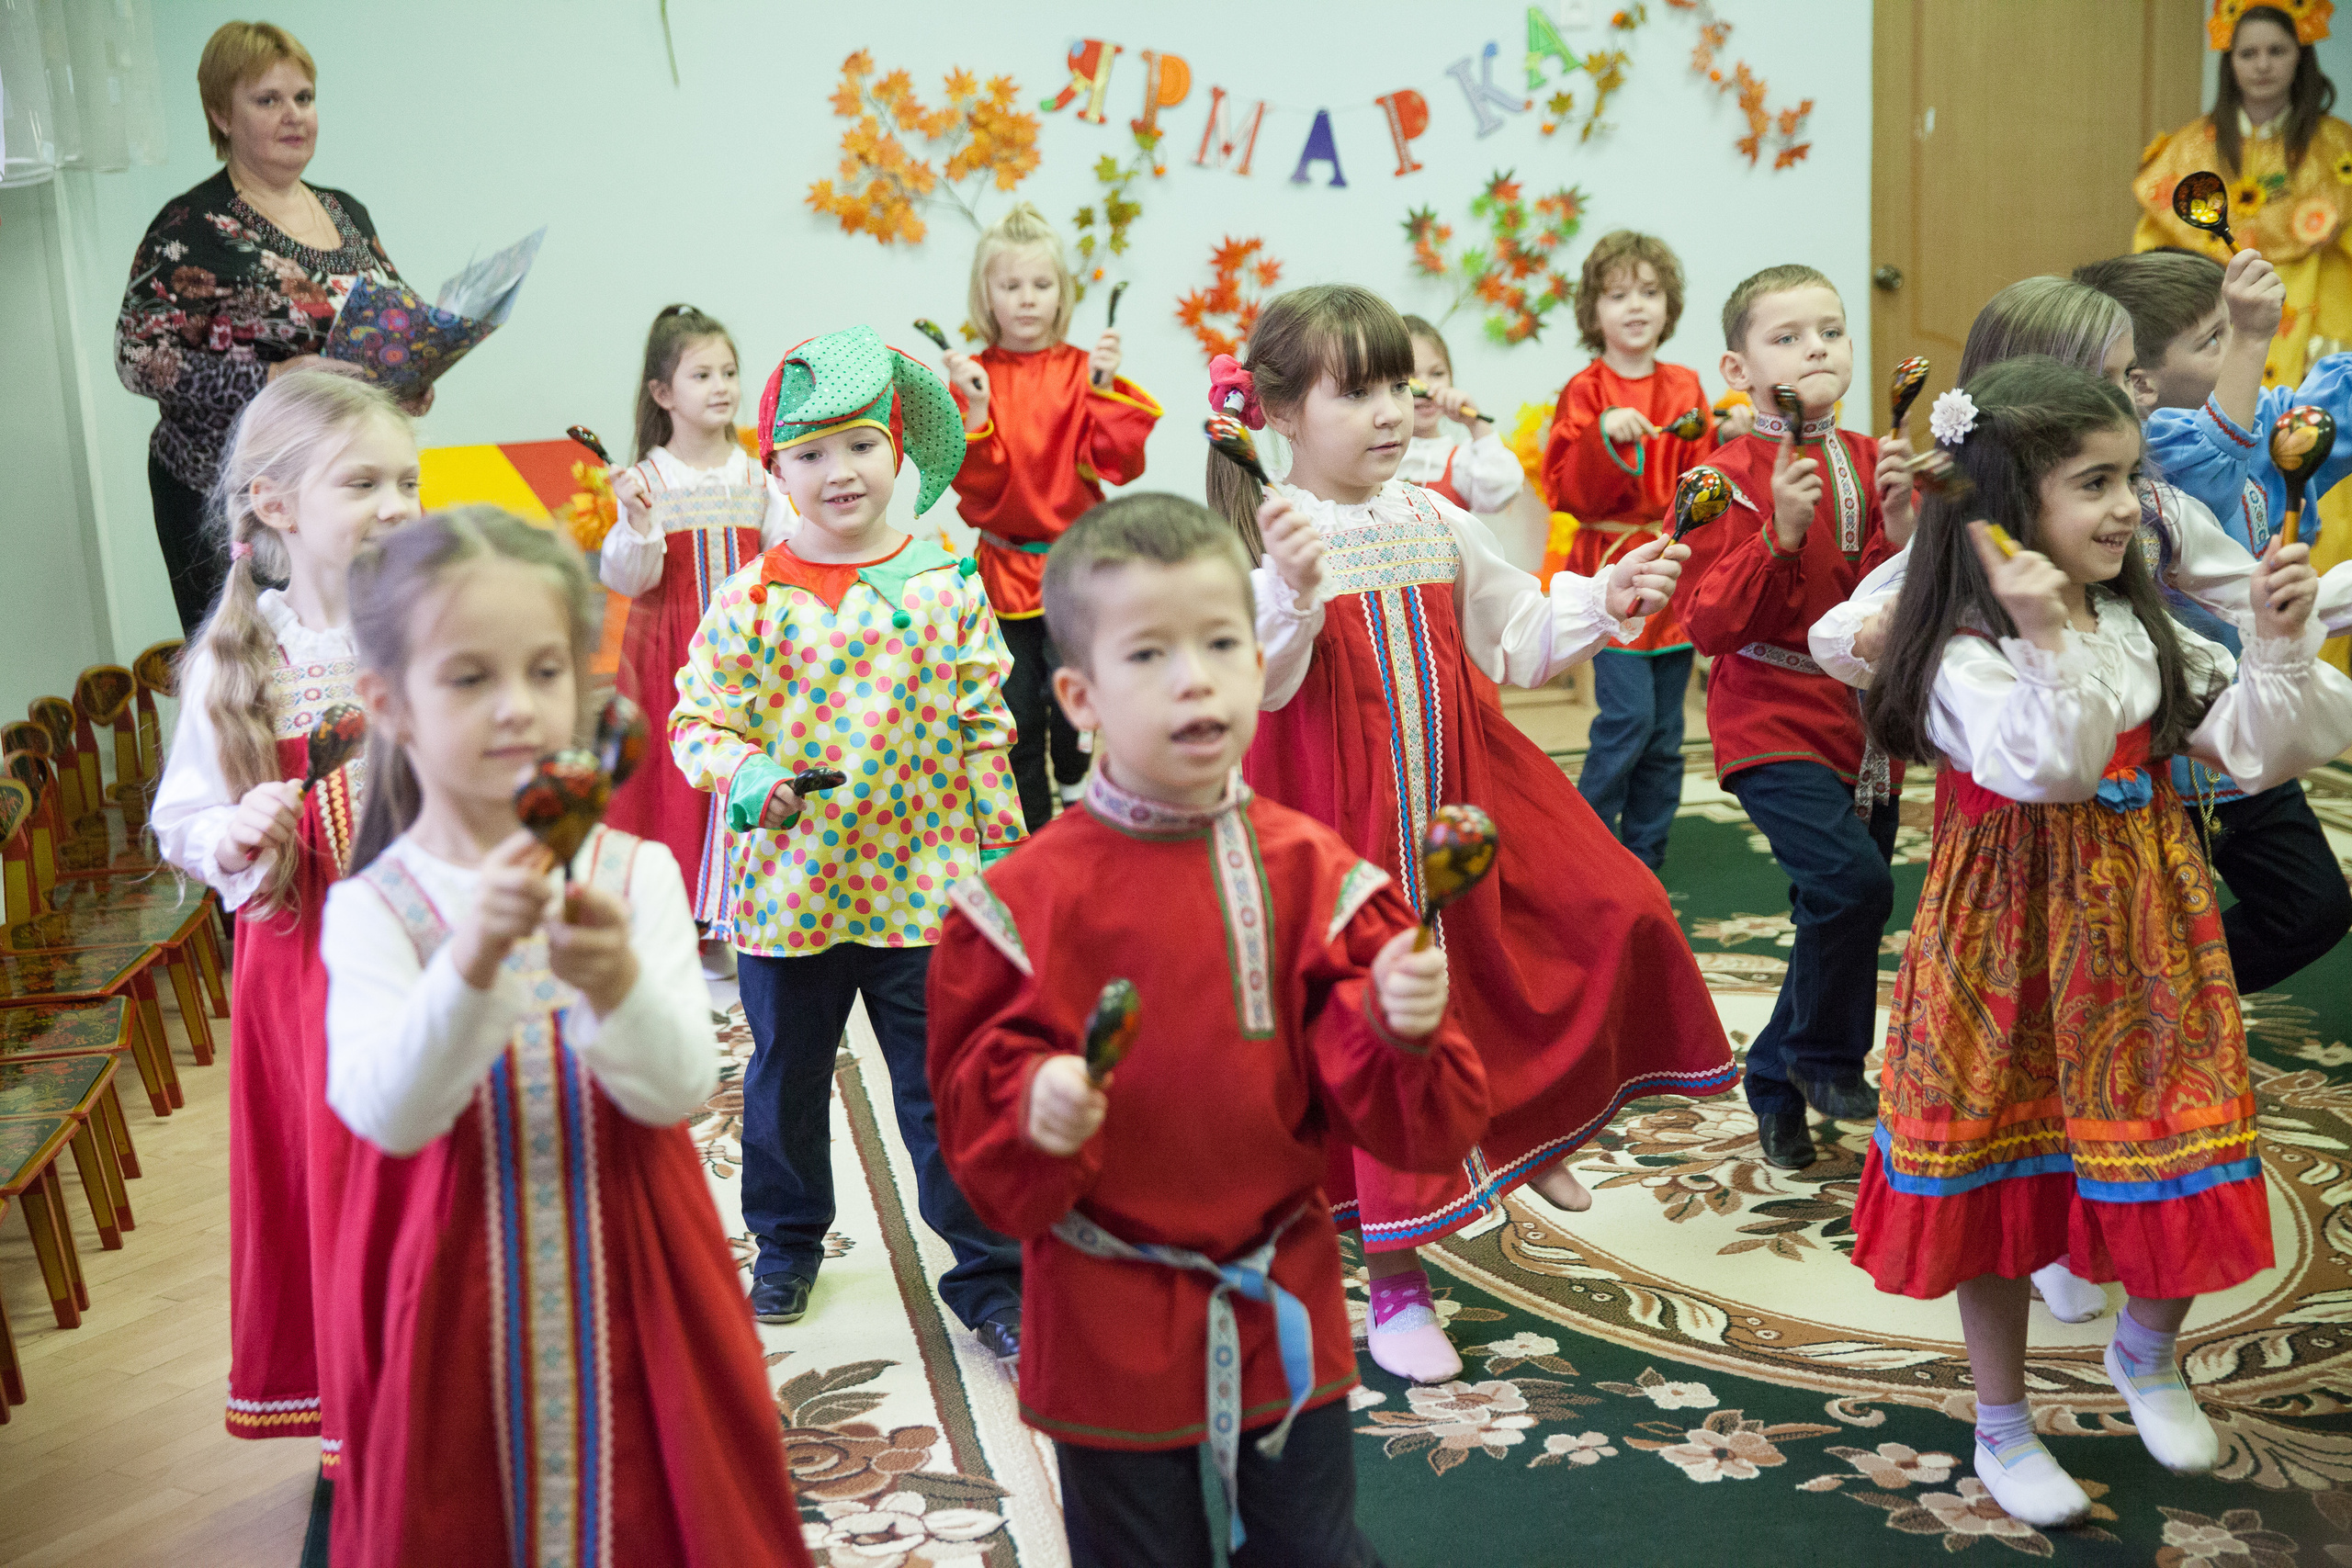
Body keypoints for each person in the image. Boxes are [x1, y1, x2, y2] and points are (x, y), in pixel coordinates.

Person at [928, 494, 1488, 1568]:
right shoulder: (1012, 910)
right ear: (1078, 698)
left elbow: (1413, 1132)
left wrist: (1401, 1029)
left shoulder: (1319, 878)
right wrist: (1031, 1105)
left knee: (1312, 1552)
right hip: (1107, 1316)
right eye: (1150, 654)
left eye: (1222, 642)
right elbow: (985, 1162)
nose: (1196, 677)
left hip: (1280, 1292)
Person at [1850, 356, 2352, 1527]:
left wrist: (2277, 644)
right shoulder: (1954, 651)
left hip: (2145, 921)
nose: (2130, 506)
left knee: (2183, 1126)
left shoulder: (2136, 623)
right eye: (2095, 482)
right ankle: (2001, 1423)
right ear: (2010, 509)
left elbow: (2246, 750)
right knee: (1994, 1159)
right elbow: (2051, 765)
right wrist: (2037, 637)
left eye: (2129, 476)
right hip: (2005, 935)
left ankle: (2145, 1350)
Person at [1209, 283, 1735, 1385]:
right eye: (1357, 392)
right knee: (1386, 1032)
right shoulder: (1273, 541)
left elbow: (1522, 640)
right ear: (1281, 414)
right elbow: (1263, 685)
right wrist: (1291, 587)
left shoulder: (1436, 517)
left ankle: (1527, 1124)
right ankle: (1399, 1286)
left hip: (1465, 794)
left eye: (1401, 384)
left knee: (1610, 908)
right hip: (1339, 828)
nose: (1394, 411)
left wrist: (1613, 594)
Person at [321, 507, 810, 1568]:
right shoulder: (374, 909)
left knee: (670, 1511)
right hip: (447, 1284)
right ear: (390, 705)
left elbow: (679, 1086)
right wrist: (471, 964)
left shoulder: (636, 875)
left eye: (545, 671)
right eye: (468, 679)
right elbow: (385, 1114)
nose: (517, 708)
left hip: (637, 1261)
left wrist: (618, 988)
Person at [670, 326, 1027, 1353]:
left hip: (926, 890)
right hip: (792, 895)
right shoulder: (752, 601)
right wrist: (751, 779)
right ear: (776, 469)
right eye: (811, 453)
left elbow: (982, 729)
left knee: (939, 1087)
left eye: (861, 445)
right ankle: (785, 1244)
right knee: (785, 1078)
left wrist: (999, 865)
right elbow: (700, 723)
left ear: (899, 450)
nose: (840, 472)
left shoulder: (946, 582)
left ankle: (990, 1277)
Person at [149, 371, 416, 1553]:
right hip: (306, 975)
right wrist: (236, 833)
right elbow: (182, 819)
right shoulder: (233, 665)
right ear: (276, 504)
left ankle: (455, 1400)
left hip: (430, 954)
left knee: (436, 1187)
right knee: (344, 1194)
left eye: (409, 478)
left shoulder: (426, 628)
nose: (398, 503)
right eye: (364, 482)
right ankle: (356, 1441)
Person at [1680, 264, 1917, 1172]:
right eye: (1787, 336)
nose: (1815, 347)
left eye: (1830, 329)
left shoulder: (1869, 458)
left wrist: (1901, 523)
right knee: (1853, 888)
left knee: (1839, 906)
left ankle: (1776, 1075)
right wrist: (1775, 536)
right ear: (1736, 369)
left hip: (1864, 725)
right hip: (1768, 715)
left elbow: (1896, 596)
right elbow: (1705, 623)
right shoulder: (1720, 478)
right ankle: (1821, 1058)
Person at [2071, 249, 2352, 988]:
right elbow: (2215, 459)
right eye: (2214, 340)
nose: (2239, 351)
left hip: (2247, 733)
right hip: (2163, 749)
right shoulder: (2150, 454)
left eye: (2236, 332)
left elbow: (2322, 416)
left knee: (2313, 908)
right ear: (2144, 382)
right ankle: (2135, 1015)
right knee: (2146, 915)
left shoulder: (2266, 429)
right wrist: (2256, 335)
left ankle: (2161, 996)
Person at [115, 21, 411, 635]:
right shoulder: (188, 226)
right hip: (237, 500)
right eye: (268, 100)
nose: (294, 115)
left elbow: (391, 317)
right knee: (259, 679)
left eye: (303, 97)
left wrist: (413, 366)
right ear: (221, 115)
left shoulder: (344, 211)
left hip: (347, 482)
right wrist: (272, 376)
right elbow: (139, 359)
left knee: (362, 655)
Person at [2134, 2, 2352, 661]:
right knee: (2211, 497)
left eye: (2276, 52)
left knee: (2321, 492)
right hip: (2216, 336)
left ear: (2301, 58)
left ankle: (2315, 689)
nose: (2262, 66)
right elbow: (2152, 271)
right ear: (2229, 63)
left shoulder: (2337, 150)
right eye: (2247, 53)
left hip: (2316, 323)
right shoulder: (2190, 151)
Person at [941, 202, 1164, 828]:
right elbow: (977, 490)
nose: (1027, 299)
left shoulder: (1078, 371)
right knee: (1012, 713)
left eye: (1041, 285)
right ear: (986, 294)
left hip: (1076, 571)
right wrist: (976, 412)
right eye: (1010, 286)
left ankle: (1076, 802)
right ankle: (1028, 835)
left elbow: (1120, 464)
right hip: (1001, 572)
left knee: (1075, 710)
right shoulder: (976, 377)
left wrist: (1105, 389)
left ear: (1062, 291)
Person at [598, 304, 791, 969]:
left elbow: (787, 556)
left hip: (745, 657)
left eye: (729, 371)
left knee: (742, 767)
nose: (721, 386)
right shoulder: (648, 481)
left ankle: (734, 910)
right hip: (667, 658)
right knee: (674, 782)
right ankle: (680, 916)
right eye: (702, 373)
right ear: (661, 392)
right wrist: (638, 521)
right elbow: (626, 574)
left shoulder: (758, 477)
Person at [1541, 231, 1728, 871]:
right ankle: (1584, 846)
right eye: (1618, 294)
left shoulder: (1686, 387)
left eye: (1649, 292)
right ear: (1595, 312)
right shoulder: (1586, 390)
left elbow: (1706, 480)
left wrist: (1725, 445)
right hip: (1612, 570)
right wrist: (1602, 437)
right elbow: (1565, 487)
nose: (1636, 306)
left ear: (1668, 305)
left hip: (1671, 570)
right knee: (1628, 720)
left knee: (1668, 735)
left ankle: (1646, 856)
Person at [1397, 315, 1521, 513]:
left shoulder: (1461, 462)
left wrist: (1477, 426)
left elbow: (1502, 492)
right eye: (1409, 377)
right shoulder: (1374, 458)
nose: (1427, 388)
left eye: (1437, 374)